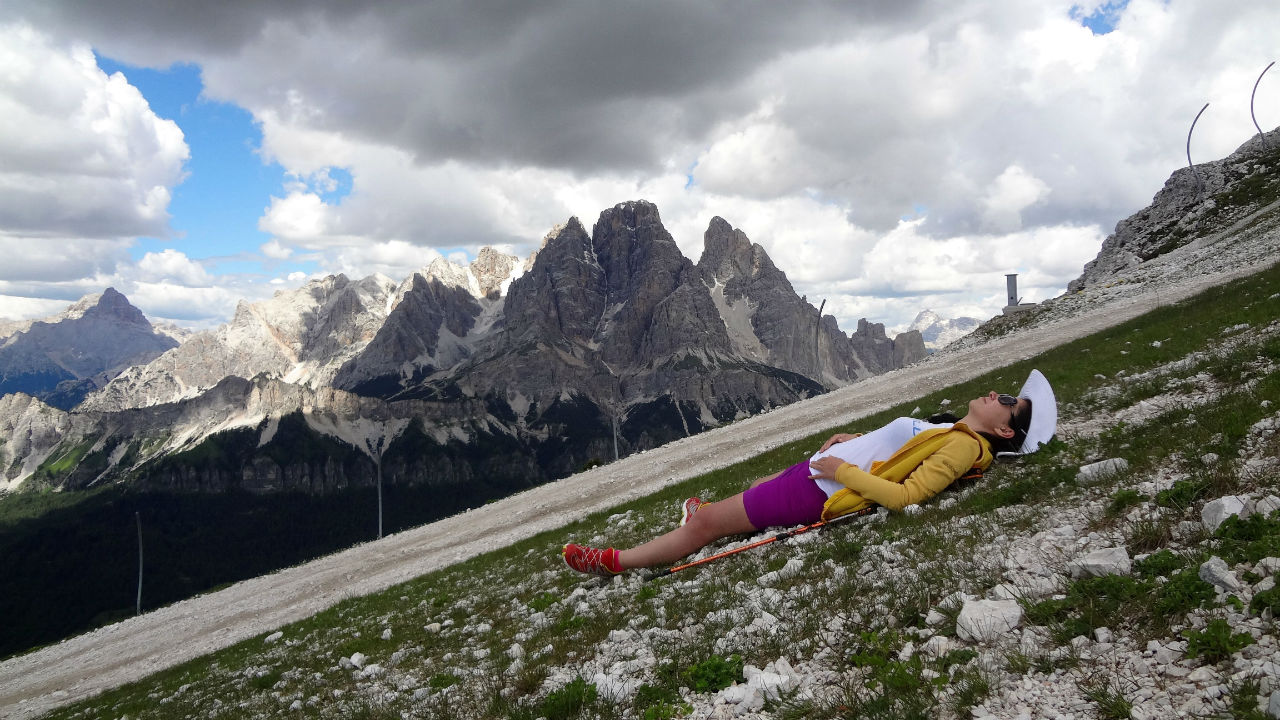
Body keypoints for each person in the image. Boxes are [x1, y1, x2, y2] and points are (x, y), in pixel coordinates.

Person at [562, 369, 1057, 576]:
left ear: (1007, 432)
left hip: (819, 489)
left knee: (703, 527)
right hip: (822, 472)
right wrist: (852, 442)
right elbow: (896, 449)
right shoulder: (952, 430)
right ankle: (710, 516)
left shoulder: (962, 448)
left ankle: (614, 561)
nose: (998, 395)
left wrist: (843, 467)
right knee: (753, 489)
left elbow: (905, 496)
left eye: (1009, 402)